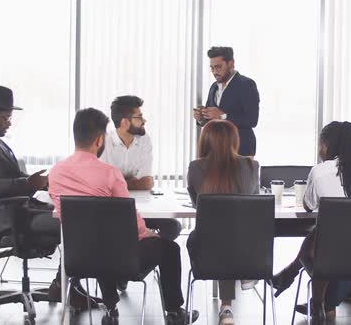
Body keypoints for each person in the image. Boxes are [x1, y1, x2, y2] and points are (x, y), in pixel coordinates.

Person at [48, 108, 199, 325]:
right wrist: (147, 233)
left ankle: (111, 308)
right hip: (118, 259)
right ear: (100, 140)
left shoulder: (56, 172)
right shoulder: (110, 174)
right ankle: (175, 313)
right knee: (169, 249)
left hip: (77, 259)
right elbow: (130, 218)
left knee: (98, 240)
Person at [0, 85, 95, 309]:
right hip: (12, 219)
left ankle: (65, 285)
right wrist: (27, 184)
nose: (9, 123)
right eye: (5, 118)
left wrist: (40, 182)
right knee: (75, 225)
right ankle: (63, 286)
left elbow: (10, 176)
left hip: (21, 210)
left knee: (75, 216)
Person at [270, 121, 351, 321]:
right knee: (322, 233)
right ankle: (294, 279)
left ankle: (314, 300)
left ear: (325, 146)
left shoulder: (320, 171)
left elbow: (308, 205)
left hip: (331, 257)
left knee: (323, 236)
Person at [186, 120, 259, 325]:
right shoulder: (252, 165)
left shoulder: (196, 167)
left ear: (206, 141)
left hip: (208, 252)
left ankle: (226, 308)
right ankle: (228, 303)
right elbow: (255, 203)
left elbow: (197, 204)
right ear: (235, 140)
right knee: (232, 235)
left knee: (204, 237)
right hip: (247, 250)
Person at [100, 95, 182, 242]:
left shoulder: (144, 139)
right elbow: (104, 185)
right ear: (125, 122)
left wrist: (119, 182)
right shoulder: (105, 142)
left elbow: (147, 182)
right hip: (113, 209)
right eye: (139, 117)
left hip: (141, 208)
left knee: (173, 226)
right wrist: (133, 182)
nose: (144, 121)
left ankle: (147, 251)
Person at [193, 46, 260, 157]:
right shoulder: (214, 87)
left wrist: (222, 116)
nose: (214, 72)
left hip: (240, 149)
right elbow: (212, 119)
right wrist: (201, 118)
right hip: (215, 150)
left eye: (218, 67)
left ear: (231, 63)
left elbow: (252, 120)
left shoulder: (247, 84)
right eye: (212, 68)